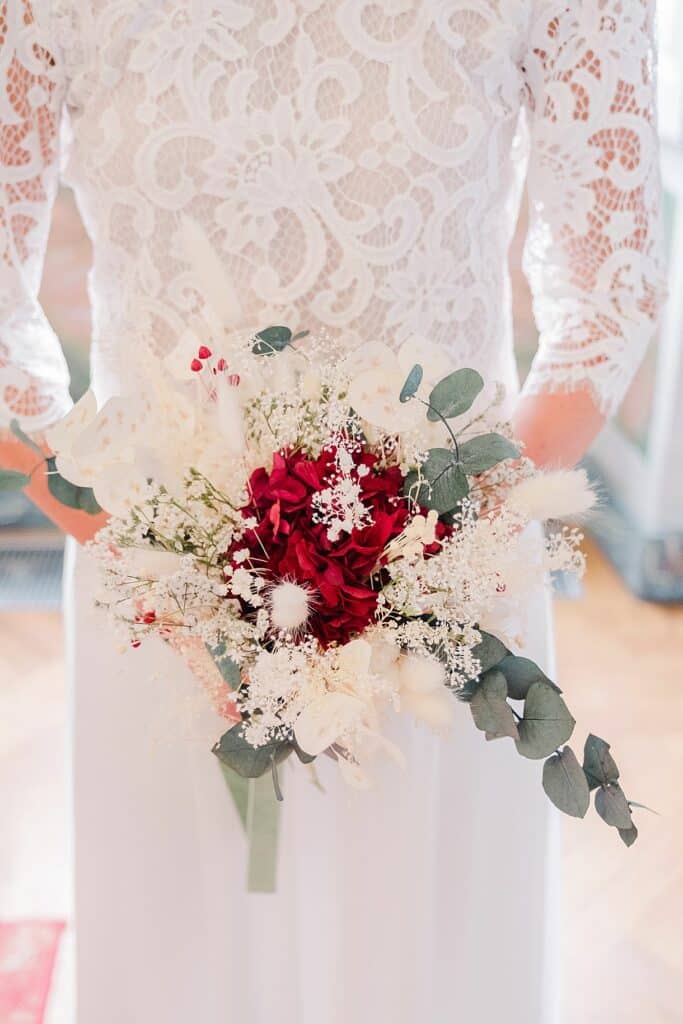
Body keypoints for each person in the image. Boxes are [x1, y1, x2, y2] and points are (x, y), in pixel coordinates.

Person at [0, 3, 667, 1022]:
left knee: (423, 967)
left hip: (445, 597)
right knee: (183, 961)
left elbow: (607, 288)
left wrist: (421, 548)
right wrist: (163, 556)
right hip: (160, 608)